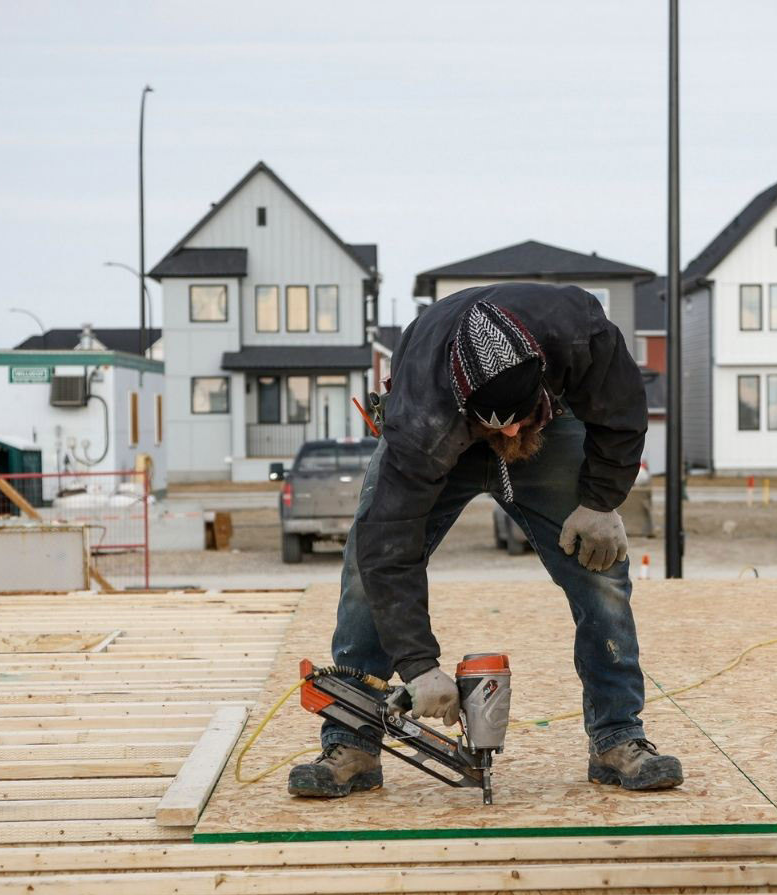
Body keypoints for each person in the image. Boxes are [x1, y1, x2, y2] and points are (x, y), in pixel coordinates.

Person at [287, 284, 685, 799]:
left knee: (599, 570)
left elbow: (622, 412)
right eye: (499, 424)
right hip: (439, 429)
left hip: (554, 423)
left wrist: (601, 501)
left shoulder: (579, 331)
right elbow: (389, 548)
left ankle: (618, 737)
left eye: (519, 416)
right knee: (365, 573)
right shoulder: (420, 420)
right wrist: (419, 664)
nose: (511, 430)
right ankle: (353, 743)